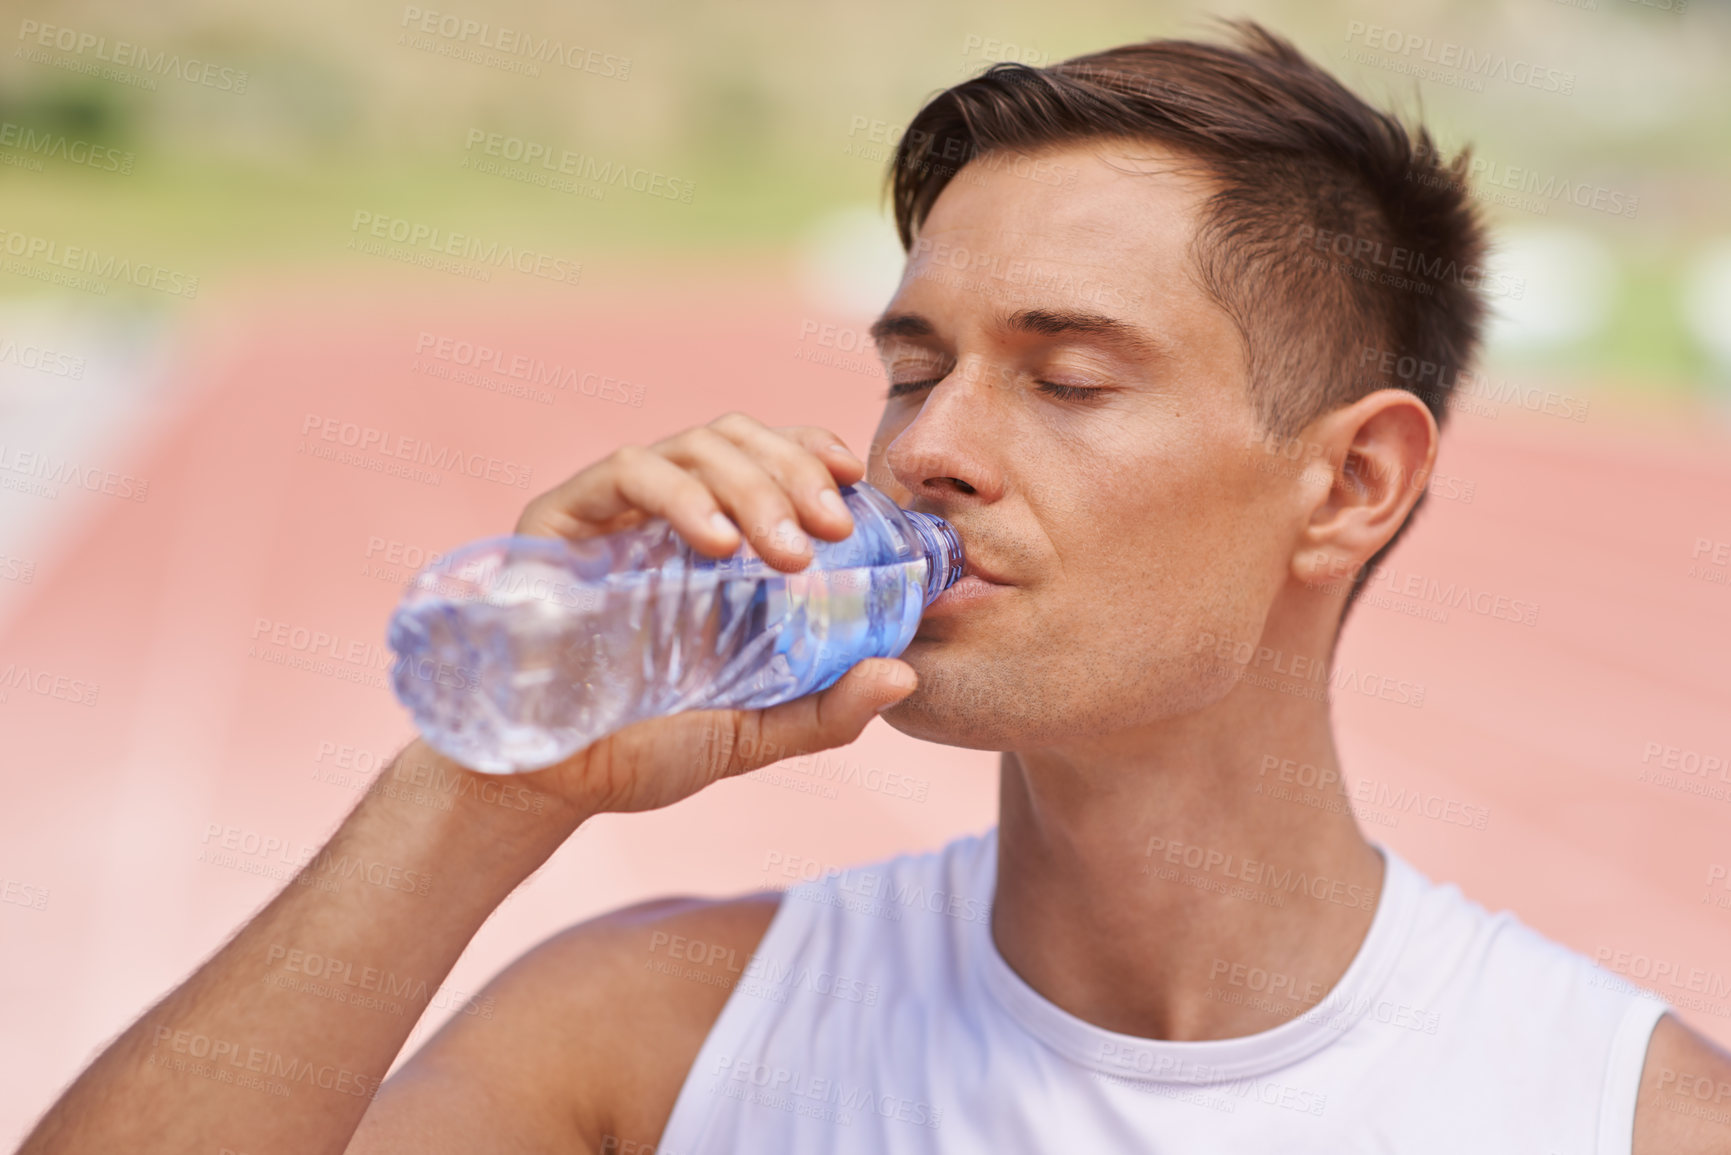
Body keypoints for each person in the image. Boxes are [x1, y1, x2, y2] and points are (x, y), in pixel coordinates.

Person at [20, 21, 1730, 1155]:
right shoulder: (658, 1038)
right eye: (917, 370)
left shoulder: (1614, 1112)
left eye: (1067, 380)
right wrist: (480, 788)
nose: (927, 451)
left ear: (1351, 482)